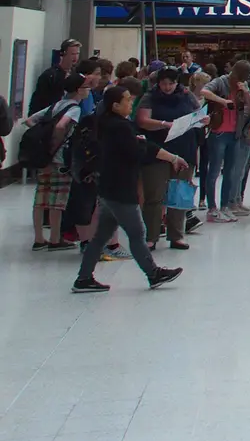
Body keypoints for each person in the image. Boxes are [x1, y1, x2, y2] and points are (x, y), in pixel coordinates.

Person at [71, 83, 187, 293]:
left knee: (100, 237)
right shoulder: (120, 127)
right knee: (137, 232)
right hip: (121, 189)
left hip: (108, 187)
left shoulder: (107, 124)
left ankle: (83, 277)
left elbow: (139, 147)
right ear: (115, 105)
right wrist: (142, 144)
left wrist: (166, 155)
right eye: (127, 100)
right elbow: (136, 153)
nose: (131, 103)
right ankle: (153, 273)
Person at [134, 66, 199, 252]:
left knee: (179, 193)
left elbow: (198, 114)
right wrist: (164, 124)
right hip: (157, 151)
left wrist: (201, 121)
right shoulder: (150, 97)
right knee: (154, 194)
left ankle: (177, 235)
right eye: (164, 84)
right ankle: (151, 236)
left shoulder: (187, 95)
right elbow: (142, 120)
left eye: (171, 83)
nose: (168, 87)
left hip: (184, 148)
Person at [25, 72, 89, 251]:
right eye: (86, 87)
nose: (88, 91)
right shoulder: (74, 108)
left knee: (41, 198)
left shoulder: (55, 105)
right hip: (60, 159)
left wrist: (43, 138)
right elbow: (62, 126)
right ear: (79, 90)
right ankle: (54, 238)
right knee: (57, 201)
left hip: (44, 158)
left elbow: (30, 120)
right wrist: (55, 143)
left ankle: (39, 238)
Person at [200, 61, 250, 221]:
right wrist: (223, 101)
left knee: (230, 172)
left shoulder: (243, 85)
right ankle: (212, 207)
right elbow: (204, 91)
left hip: (235, 133)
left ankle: (225, 205)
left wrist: (245, 93)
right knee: (214, 171)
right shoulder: (220, 81)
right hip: (218, 132)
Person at [29, 38, 81, 115]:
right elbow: (39, 100)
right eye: (73, 54)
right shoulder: (50, 75)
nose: (75, 57)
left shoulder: (75, 73)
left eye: (77, 54)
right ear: (63, 54)